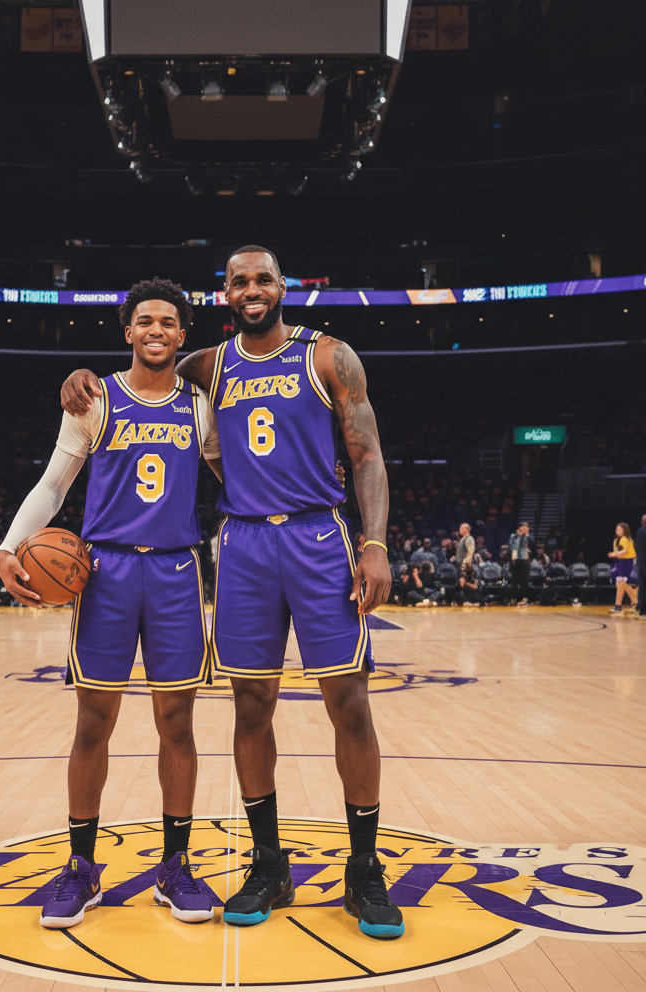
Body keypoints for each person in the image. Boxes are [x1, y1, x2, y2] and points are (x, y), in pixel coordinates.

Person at [61, 245, 401, 940]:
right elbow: (145, 370)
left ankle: (365, 867)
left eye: (262, 279)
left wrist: (375, 542)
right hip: (242, 543)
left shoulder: (329, 356)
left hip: (317, 536)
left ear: (283, 286)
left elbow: (366, 454)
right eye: (239, 281)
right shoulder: (207, 366)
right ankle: (269, 863)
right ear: (224, 294)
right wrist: (81, 379)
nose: (251, 290)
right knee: (251, 705)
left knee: (349, 702)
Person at [0, 277, 222, 930]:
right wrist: (8, 547)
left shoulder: (201, 407)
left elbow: (233, 474)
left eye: (168, 322)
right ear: (128, 331)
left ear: (182, 336)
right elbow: (53, 485)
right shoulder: (94, 399)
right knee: (93, 723)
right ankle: (80, 866)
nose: (156, 330)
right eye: (145, 321)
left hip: (177, 571)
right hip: (106, 574)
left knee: (176, 724)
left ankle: (175, 866)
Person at [607, 522, 639, 614]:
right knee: (622, 583)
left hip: (626, 561)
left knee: (621, 582)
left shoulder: (625, 539)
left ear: (624, 530)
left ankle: (618, 605)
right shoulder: (618, 540)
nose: (617, 531)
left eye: (619, 529)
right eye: (617, 529)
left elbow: (625, 551)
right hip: (620, 562)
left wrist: (615, 554)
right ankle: (635, 602)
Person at [509, 522, 532, 606]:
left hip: (525, 560)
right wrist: (519, 536)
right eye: (523, 527)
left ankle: (524, 598)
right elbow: (511, 546)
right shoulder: (514, 536)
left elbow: (532, 545)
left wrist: (526, 536)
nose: (524, 529)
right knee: (515, 580)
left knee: (524, 581)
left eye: (526, 528)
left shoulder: (529, 537)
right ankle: (514, 598)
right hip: (515, 560)